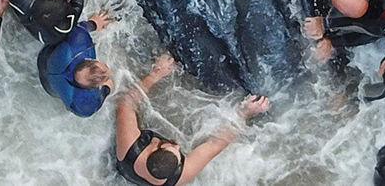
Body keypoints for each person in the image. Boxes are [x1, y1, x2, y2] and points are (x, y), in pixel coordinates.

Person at [115, 53, 271, 186]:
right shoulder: (181, 175)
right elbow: (216, 143)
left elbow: (126, 103)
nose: (177, 147)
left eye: (171, 147)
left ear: (154, 147)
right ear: (153, 146)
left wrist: (157, 73)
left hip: (127, 171)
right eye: (177, 151)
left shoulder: (129, 147)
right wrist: (245, 113)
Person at [38, 10, 116, 117]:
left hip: (44, 57)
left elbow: (79, 28)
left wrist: (94, 24)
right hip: (50, 88)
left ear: (87, 59)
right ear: (94, 87)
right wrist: (106, 89)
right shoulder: (84, 106)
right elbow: (89, 107)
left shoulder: (79, 43)